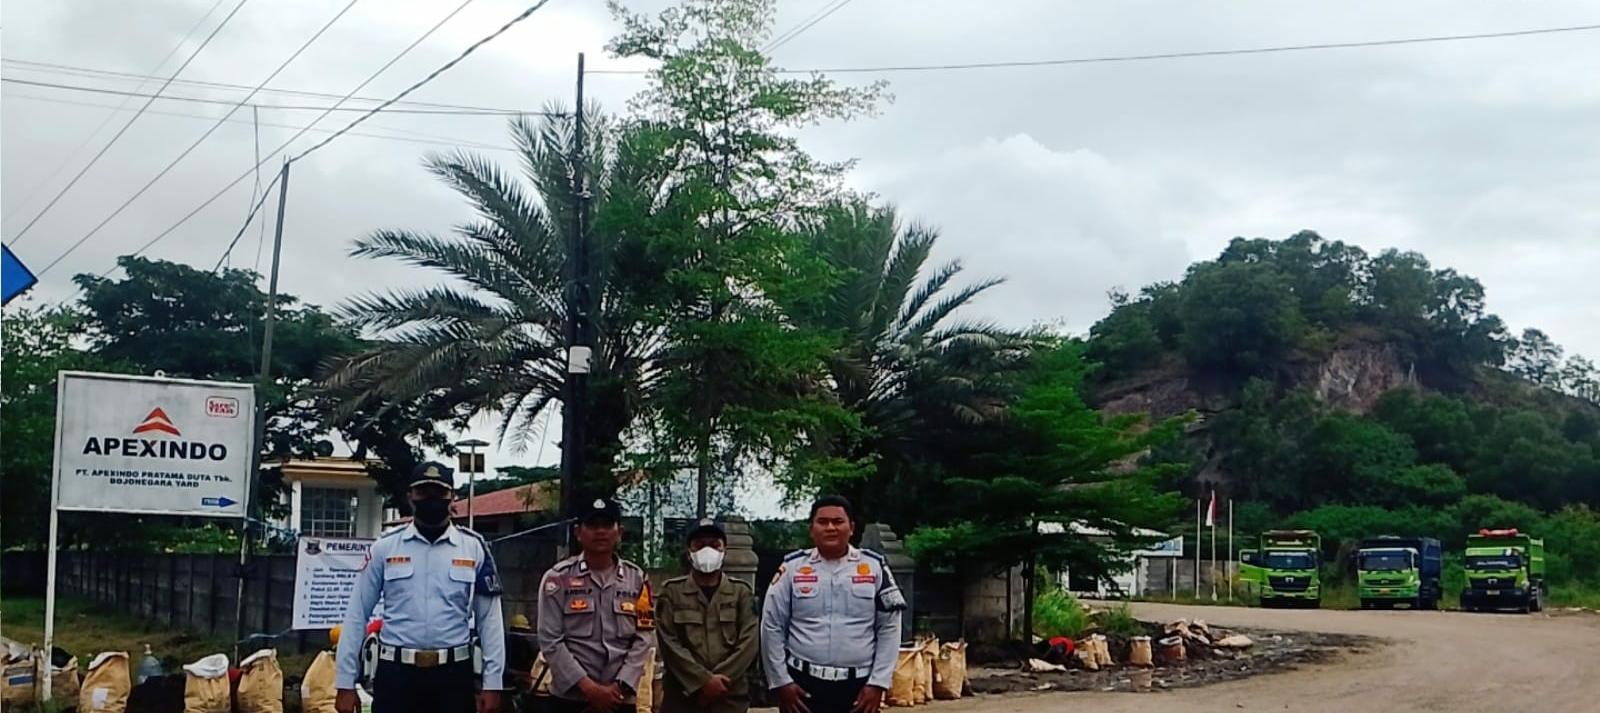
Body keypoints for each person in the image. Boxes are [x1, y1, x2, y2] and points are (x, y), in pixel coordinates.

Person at [335, 461, 506, 713]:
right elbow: (357, 613)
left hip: (453, 678)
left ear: (452, 496)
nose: (431, 499)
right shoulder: (385, 547)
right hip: (396, 676)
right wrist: (345, 682)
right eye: (423, 492)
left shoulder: (473, 548)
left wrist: (493, 683)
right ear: (410, 496)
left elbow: (489, 620)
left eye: (439, 492)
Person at [762, 496, 903, 713]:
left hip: (859, 687)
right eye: (822, 522)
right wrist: (781, 681)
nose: (830, 528)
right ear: (811, 529)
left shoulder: (875, 567)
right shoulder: (792, 568)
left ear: (851, 527)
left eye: (838, 522)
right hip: (802, 685)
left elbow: (889, 627)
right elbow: (772, 625)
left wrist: (878, 683)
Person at [536, 498, 655, 713]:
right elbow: (550, 640)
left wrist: (619, 686)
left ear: (619, 532)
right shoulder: (557, 579)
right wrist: (590, 689)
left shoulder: (637, 580)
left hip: (620, 699)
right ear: (578, 532)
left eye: (607, 525)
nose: (600, 531)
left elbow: (644, 637)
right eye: (592, 525)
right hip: (570, 698)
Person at [654, 519, 759, 713]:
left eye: (714, 544)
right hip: (683, 697)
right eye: (700, 545)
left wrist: (717, 683)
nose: (707, 550)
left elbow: (748, 643)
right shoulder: (671, 592)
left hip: (729, 698)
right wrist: (702, 682)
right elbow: (668, 643)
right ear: (689, 551)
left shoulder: (741, 593)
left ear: (724, 550)